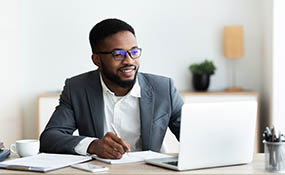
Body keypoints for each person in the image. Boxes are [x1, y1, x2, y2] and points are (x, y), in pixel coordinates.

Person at [39, 18, 184, 159]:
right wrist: (93, 146)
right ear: (97, 60)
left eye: (133, 52)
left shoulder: (164, 89)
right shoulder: (77, 89)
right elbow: (50, 138)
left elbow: (193, 136)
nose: (129, 61)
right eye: (118, 54)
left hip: (149, 170)